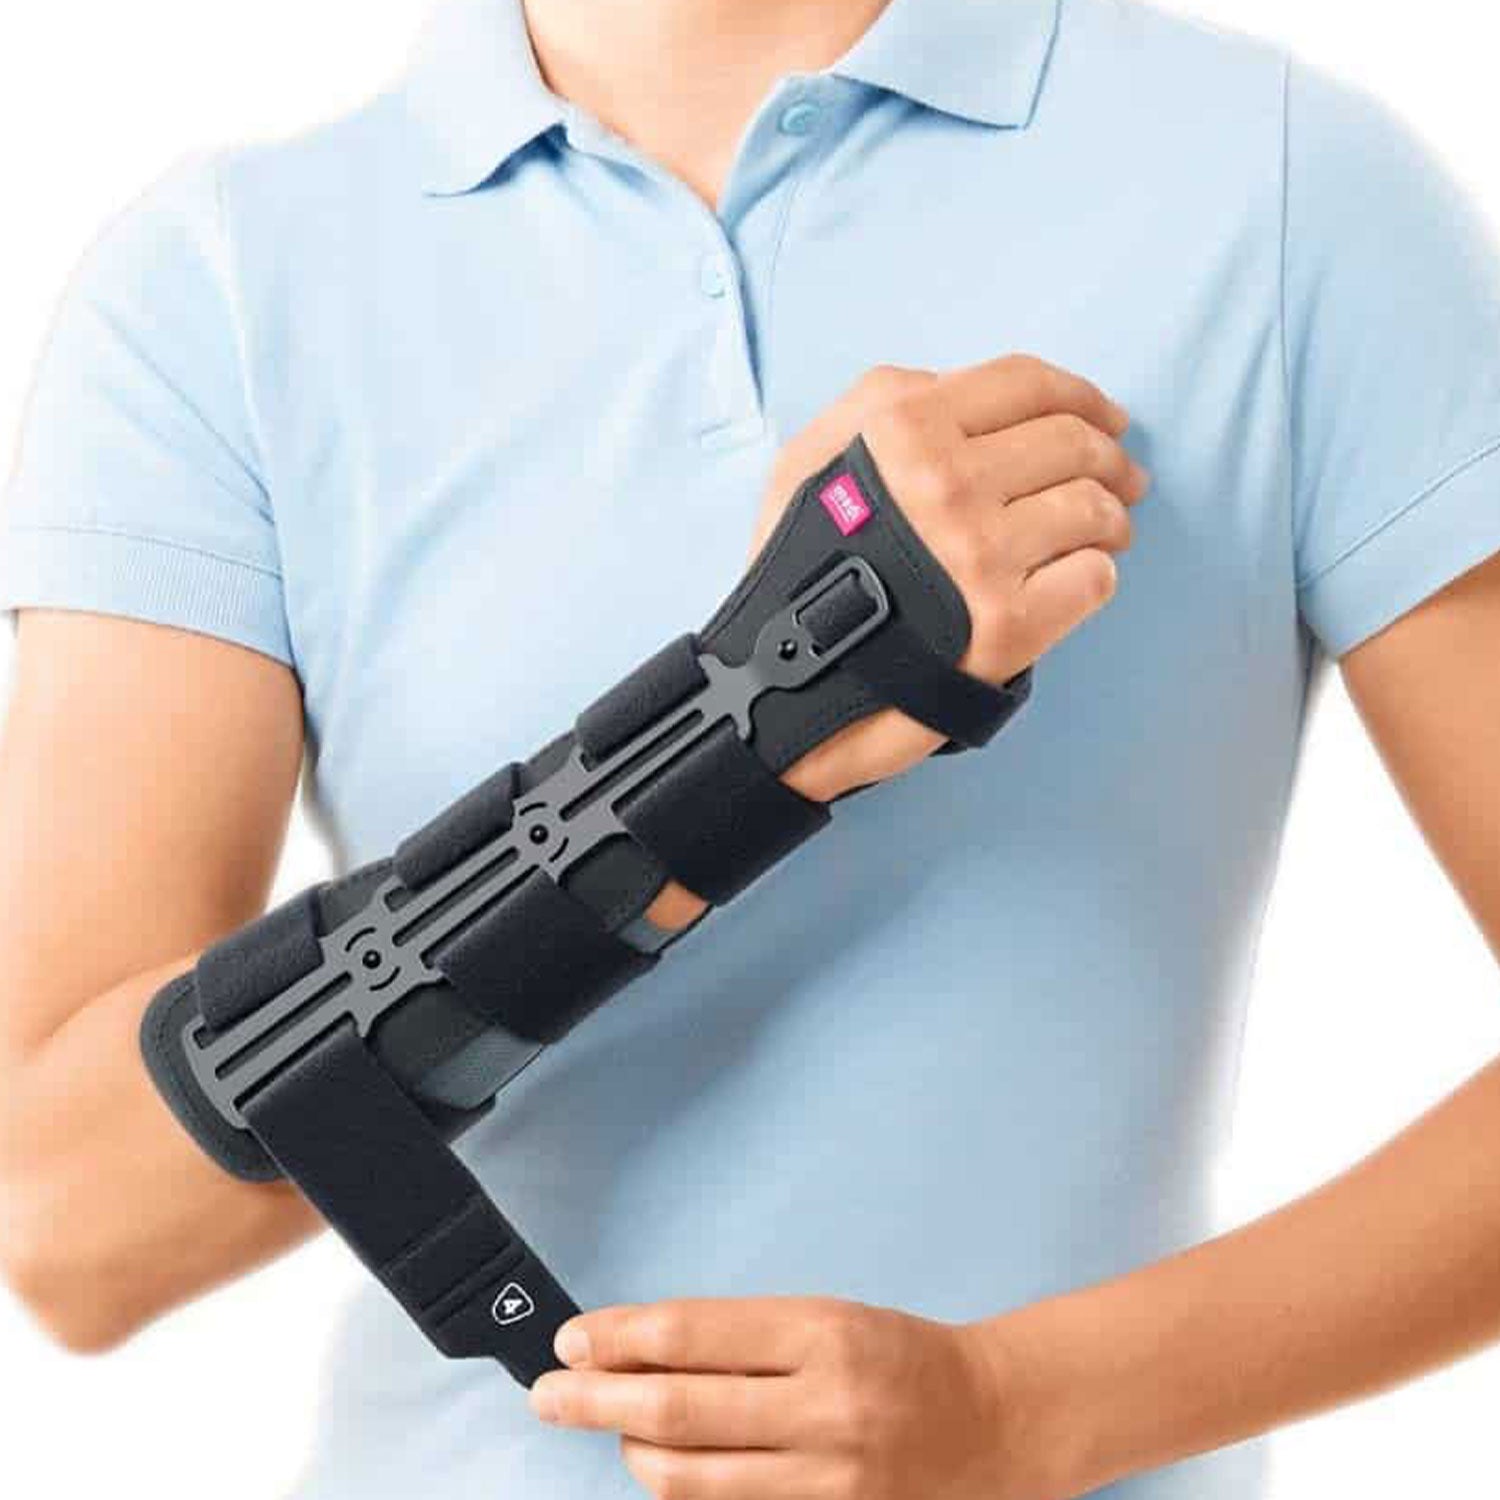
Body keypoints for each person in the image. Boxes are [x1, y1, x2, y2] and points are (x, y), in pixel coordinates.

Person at [2, 0, 1499, 1495]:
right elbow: (70, 1223)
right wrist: (741, 735)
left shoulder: (1279, 187)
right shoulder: (223, 287)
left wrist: (1023, 1407)